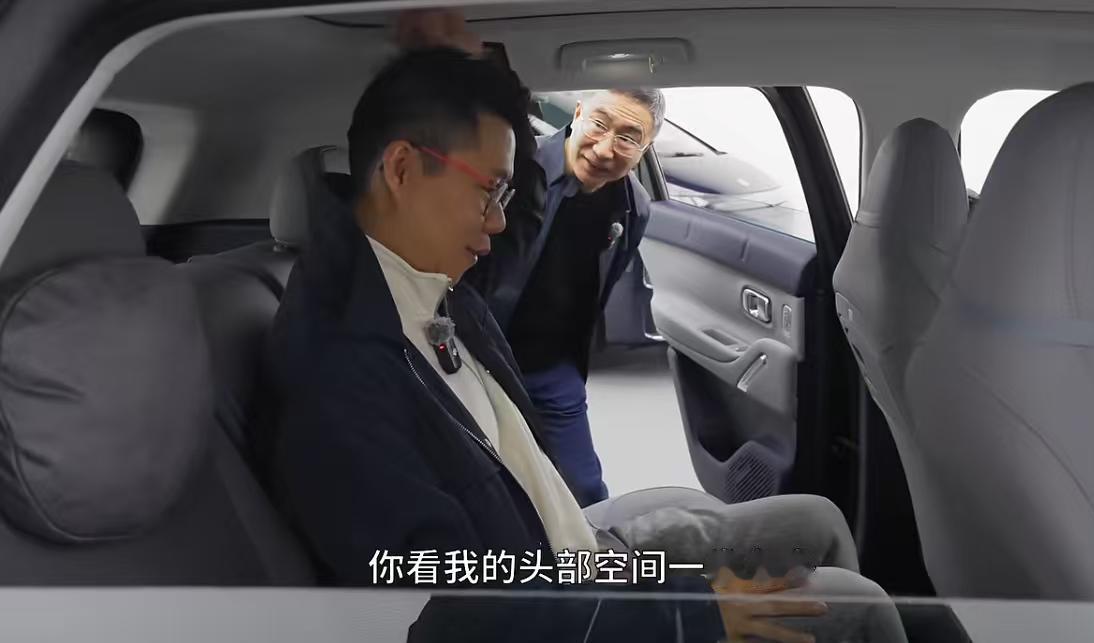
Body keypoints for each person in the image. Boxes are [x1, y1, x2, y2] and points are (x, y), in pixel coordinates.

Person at [261, 13, 904, 643]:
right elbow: (444, 606)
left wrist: (486, 82)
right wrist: (688, 615)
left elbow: (523, 219)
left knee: (818, 520)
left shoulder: (428, 287)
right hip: (558, 598)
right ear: (402, 170)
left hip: (576, 556)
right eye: (488, 192)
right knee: (860, 606)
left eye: (504, 196)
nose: (497, 223)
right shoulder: (341, 368)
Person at [467, 84, 658, 507]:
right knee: (487, 487)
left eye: (628, 138)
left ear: (645, 150)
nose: (605, 149)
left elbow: (598, 290)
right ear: (577, 114)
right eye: (599, 124)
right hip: (478, 353)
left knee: (584, 493)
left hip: (552, 368)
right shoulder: (513, 168)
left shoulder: (634, 207)